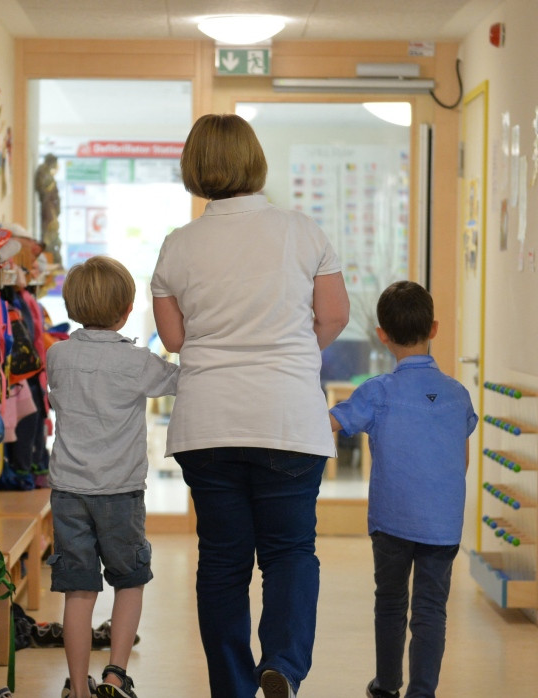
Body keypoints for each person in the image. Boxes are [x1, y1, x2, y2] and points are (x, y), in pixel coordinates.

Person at [151, 113, 350, 698]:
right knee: (290, 553)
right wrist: (288, 352)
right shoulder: (303, 231)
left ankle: (233, 687)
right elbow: (335, 315)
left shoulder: (178, 246)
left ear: (195, 167)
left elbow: (175, 340)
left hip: (208, 423)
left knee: (221, 562)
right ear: (254, 161)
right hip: (287, 418)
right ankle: (283, 666)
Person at [328, 281, 477, 698]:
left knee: (391, 603)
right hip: (443, 522)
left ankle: (387, 685)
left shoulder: (377, 392)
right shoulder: (458, 395)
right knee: (431, 610)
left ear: (382, 335)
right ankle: (422, 692)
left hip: (393, 520)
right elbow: (461, 460)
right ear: (434, 328)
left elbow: (330, 424)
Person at [46, 255, 180, 698]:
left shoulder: (57, 355)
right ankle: (115, 676)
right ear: (127, 310)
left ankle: (78, 689)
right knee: (130, 580)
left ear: (71, 305)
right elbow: (179, 380)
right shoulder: (136, 362)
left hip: (68, 492)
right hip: (120, 492)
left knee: (78, 591)